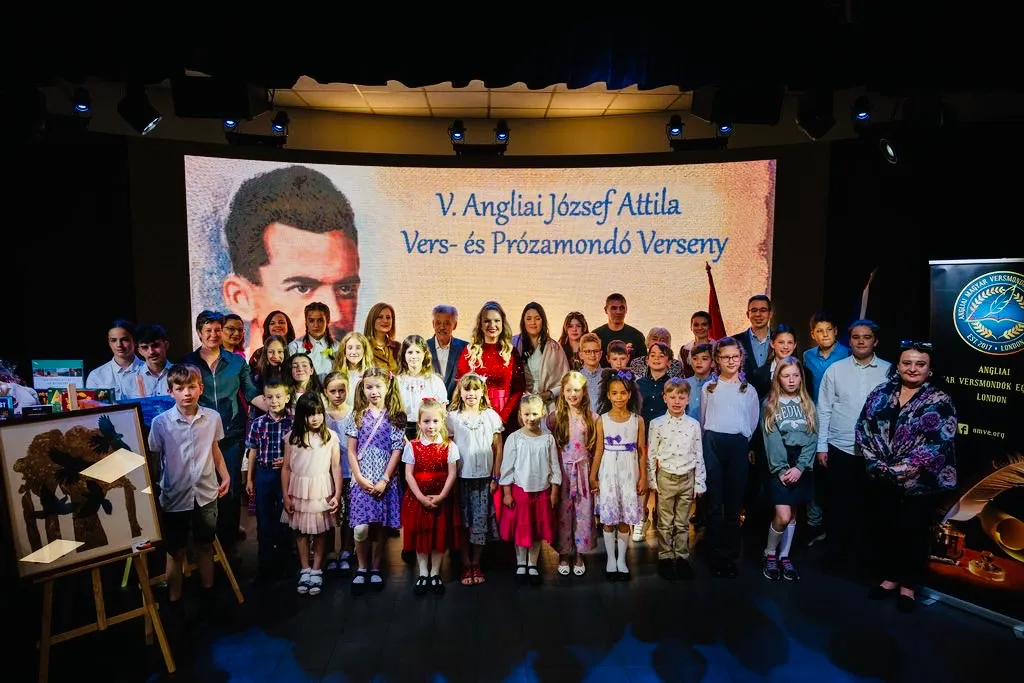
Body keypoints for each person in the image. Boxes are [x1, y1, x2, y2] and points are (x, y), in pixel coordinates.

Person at [220, 165, 361, 360]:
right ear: (240, 298)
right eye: (302, 288)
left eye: (346, 289)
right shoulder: (228, 376)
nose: (335, 315)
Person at [857, 341, 956, 612]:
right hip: (882, 477)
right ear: (898, 366)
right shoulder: (881, 392)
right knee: (886, 527)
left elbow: (938, 444)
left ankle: (908, 587)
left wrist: (901, 469)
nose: (913, 368)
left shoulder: (940, 400)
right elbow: (863, 428)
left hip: (919, 483)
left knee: (913, 532)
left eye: (920, 364)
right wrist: (877, 463)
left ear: (929, 369)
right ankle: (890, 578)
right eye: (907, 363)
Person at [147, 364, 229, 609]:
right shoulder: (161, 423)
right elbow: (155, 459)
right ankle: (174, 600)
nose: (186, 393)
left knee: (205, 545)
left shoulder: (212, 418)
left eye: (191, 387)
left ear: (200, 388)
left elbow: (215, 449)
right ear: (170, 391)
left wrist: (225, 475)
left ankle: (208, 593)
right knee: (175, 551)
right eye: (180, 388)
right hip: (175, 495)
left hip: (206, 492)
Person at [183, 310, 267, 547]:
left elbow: (251, 393)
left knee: (230, 491)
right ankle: (206, 545)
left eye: (217, 330)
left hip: (231, 434)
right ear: (199, 333)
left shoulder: (236, 362)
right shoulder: (188, 363)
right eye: (208, 330)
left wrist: (276, 408)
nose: (213, 335)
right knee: (202, 487)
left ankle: (228, 547)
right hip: (199, 436)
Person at [816, 320, 891, 570]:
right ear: (849, 341)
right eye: (856, 337)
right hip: (841, 447)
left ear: (875, 341)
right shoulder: (835, 370)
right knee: (838, 505)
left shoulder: (889, 371)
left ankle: (863, 561)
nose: (861, 341)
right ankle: (835, 556)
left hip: (875, 453)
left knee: (869, 507)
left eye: (866, 337)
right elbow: (824, 409)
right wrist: (822, 446)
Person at [700, 337, 760, 578]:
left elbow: (752, 421)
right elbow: (704, 419)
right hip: (713, 443)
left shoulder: (748, 390)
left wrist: (742, 439)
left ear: (741, 358)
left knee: (734, 504)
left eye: (735, 356)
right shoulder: (709, 388)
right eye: (725, 357)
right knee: (715, 503)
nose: (731, 361)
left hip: (737, 445)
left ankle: (730, 555)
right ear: (717, 360)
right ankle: (715, 554)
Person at [344, 367, 407, 594]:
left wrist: (385, 479)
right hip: (362, 479)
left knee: (379, 526)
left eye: (378, 386)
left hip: (384, 480)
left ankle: (376, 566)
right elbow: (351, 451)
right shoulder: (357, 415)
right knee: (361, 528)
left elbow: (397, 450)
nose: (373, 391)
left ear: (388, 387)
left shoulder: (395, 416)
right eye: (369, 387)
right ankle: (362, 567)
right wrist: (359, 477)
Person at [760, 357, 817, 583]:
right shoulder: (770, 404)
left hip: (802, 464)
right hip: (781, 463)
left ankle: (784, 556)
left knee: (793, 515)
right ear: (778, 378)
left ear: (801, 377)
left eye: (795, 375)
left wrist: (801, 467)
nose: (791, 380)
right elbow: (771, 439)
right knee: (782, 516)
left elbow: (813, 437)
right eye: (786, 376)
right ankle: (770, 552)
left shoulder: (808, 404)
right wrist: (783, 469)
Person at [281, 392, 343, 596]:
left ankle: (316, 569)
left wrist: (337, 494)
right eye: (310, 414)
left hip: (321, 489)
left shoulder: (330, 436)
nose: (315, 418)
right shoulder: (292, 437)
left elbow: (336, 467)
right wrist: (285, 495)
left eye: (318, 413)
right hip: (298, 489)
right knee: (300, 530)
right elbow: (286, 468)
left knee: (319, 530)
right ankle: (305, 568)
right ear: (302, 416)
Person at [590, 369, 647, 582]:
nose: (619, 397)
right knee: (609, 518)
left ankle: (622, 559)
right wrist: (593, 475)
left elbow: (641, 452)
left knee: (624, 519)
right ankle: (610, 560)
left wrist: (643, 477)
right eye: (614, 393)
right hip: (608, 472)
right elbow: (598, 450)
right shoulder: (602, 420)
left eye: (623, 393)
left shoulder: (637, 420)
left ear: (630, 394)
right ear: (608, 395)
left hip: (629, 472)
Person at [499, 394, 562, 586]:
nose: (531, 418)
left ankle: (532, 563)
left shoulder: (548, 439)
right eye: (527, 414)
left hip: (542, 491)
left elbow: (554, 466)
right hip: (521, 491)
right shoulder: (515, 438)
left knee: (536, 529)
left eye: (535, 414)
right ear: (520, 414)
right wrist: (507, 492)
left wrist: (554, 491)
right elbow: (507, 467)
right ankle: (521, 562)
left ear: (542, 413)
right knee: (522, 527)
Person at [447, 373, 503, 586]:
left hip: (484, 479)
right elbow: (448, 448)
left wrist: (495, 476)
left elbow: (498, 447)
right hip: (461, 479)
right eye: (467, 389)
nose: (471, 393)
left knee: (480, 521)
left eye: (475, 389)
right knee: (463, 522)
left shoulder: (490, 416)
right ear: (460, 392)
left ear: (483, 392)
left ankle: (476, 562)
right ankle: (465, 563)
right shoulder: (453, 417)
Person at [402, 398, 462, 596]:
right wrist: (420, 497)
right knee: (421, 534)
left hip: (441, 498)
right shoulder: (412, 446)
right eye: (426, 421)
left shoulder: (449, 446)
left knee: (438, 534)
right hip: (418, 498)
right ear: (419, 423)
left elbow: (452, 474)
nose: (431, 426)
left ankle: (435, 572)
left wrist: (442, 496)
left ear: (442, 422)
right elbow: (408, 474)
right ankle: (423, 573)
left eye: (435, 421)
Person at [647, 378, 704, 581]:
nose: (677, 401)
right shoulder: (657, 424)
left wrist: (699, 482)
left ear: (688, 399)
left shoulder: (693, 425)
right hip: (666, 478)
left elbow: (698, 454)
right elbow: (651, 454)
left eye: (681, 397)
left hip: (687, 478)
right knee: (665, 522)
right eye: (672, 397)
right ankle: (665, 556)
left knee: (682, 522)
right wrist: (652, 480)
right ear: (665, 398)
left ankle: (681, 557)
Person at [802, 310, 849, 545]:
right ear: (813, 334)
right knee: (813, 475)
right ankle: (814, 524)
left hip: (840, 422)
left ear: (836, 331)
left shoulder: (847, 354)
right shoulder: (807, 356)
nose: (825, 334)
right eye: (819, 331)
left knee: (837, 477)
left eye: (829, 330)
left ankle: (837, 529)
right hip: (813, 421)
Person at [547, 371, 598, 577]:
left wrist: (594, 476)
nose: (572, 394)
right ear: (562, 392)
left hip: (583, 472)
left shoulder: (592, 418)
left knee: (583, 513)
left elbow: (594, 448)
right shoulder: (554, 417)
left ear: (584, 392)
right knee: (563, 514)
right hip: (563, 473)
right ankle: (564, 553)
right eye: (568, 390)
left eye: (576, 390)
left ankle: (579, 553)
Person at [244, 379, 293, 580]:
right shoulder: (258, 423)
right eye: (269, 397)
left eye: (279, 396)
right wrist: (249, 479)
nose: (274, 401)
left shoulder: (293, 423)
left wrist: (287, 461)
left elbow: (298, 451)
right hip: (263, 474)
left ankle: (285, 562)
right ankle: (265, 564)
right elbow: (252, 451)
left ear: (287, 398)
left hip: (285, 476)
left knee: (285, 518)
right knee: (264, 520)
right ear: (264, 399)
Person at [456, 301, 525, 437]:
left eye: (496, 321)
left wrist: (502, 417)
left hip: (505, 417)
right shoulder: (469, 352)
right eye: (487, 321)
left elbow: (518, 389)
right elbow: (460, 385)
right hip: (475, 415)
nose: (492, 325)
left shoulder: (512, 352)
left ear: (502, 323)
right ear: (480, 325)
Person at [513, 302, 570, 416]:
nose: (533, 323)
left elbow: (566, 381)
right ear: (523, 322)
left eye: (537, 318)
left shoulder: (555, 348)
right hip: (520, 404)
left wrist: (548, 394)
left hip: (547, 405)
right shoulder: (514, 343)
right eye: (529, 319)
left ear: (543, 321)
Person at [322, 371, 354, 572]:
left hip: (350, 471)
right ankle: (329, 552)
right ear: (325, 392)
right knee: (329, 512)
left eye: (341, 390)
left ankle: (347, 550)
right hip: (327, 473)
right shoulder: (322, 415)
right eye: (333, 391)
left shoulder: (354, 413)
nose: (337, 395)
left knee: (349, 512)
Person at [396, 334, 448, 440]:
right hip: (402, 432)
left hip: (429, 431)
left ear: (425, 354)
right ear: (404, 355)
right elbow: (393, 412)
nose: (414, 356)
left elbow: (442, 413)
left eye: (418, 352)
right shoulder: (398, 381)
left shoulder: (435, 381)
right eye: (410, 352)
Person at [86, 319, 145, 400]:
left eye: (124, 339)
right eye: (113, 340)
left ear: (134, 341)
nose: (119, 345)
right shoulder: (96, 375)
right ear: (109, 342)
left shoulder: (149, 371)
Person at [732, 295, 773, 398]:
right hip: (742, 399)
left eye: (763, 310)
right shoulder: (734, 341)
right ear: (748, 314)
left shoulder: (782, 341)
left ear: (770, 314)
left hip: (774, 401)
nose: (758, 314)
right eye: (754, 310)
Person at [287, 302, 340, 380]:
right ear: (306, 322)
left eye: (320, 320)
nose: (316, 325)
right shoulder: (294, 347)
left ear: (327, 321)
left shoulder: (337, 347)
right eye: (311, 320)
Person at [427, 305, 469, 401]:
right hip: (430, 406)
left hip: (457, 404)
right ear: (433, 324)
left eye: (447, 323)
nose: (442, 327)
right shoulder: (423, 348)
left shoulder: (465, 348)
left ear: (455, 325)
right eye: (438, 323)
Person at [593, 293, 647, 365]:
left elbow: (642, 366)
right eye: (614, 308)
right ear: (606, 310)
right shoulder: (596, 335)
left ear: (626, 309)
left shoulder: (637, 336)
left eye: (622, 308)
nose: (618, 312)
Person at [133, 323, 173, 397]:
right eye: (145, 347)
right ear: (139, 351)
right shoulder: (130, 380)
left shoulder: (182, 375)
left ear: (166, 345)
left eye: (155, 345)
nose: (151, 352)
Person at [364, 303, 401, 373]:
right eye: (380, 317)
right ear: (372, 320)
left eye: (388, 317)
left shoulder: (398, 347)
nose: (385, 321)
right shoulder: (364, 347)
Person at [678, 311, 713, 376]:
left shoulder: (718, 348)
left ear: (710, 327)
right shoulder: (684, 350)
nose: (700, 328)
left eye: (704, 324)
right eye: (696, 325)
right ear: (691, 327)